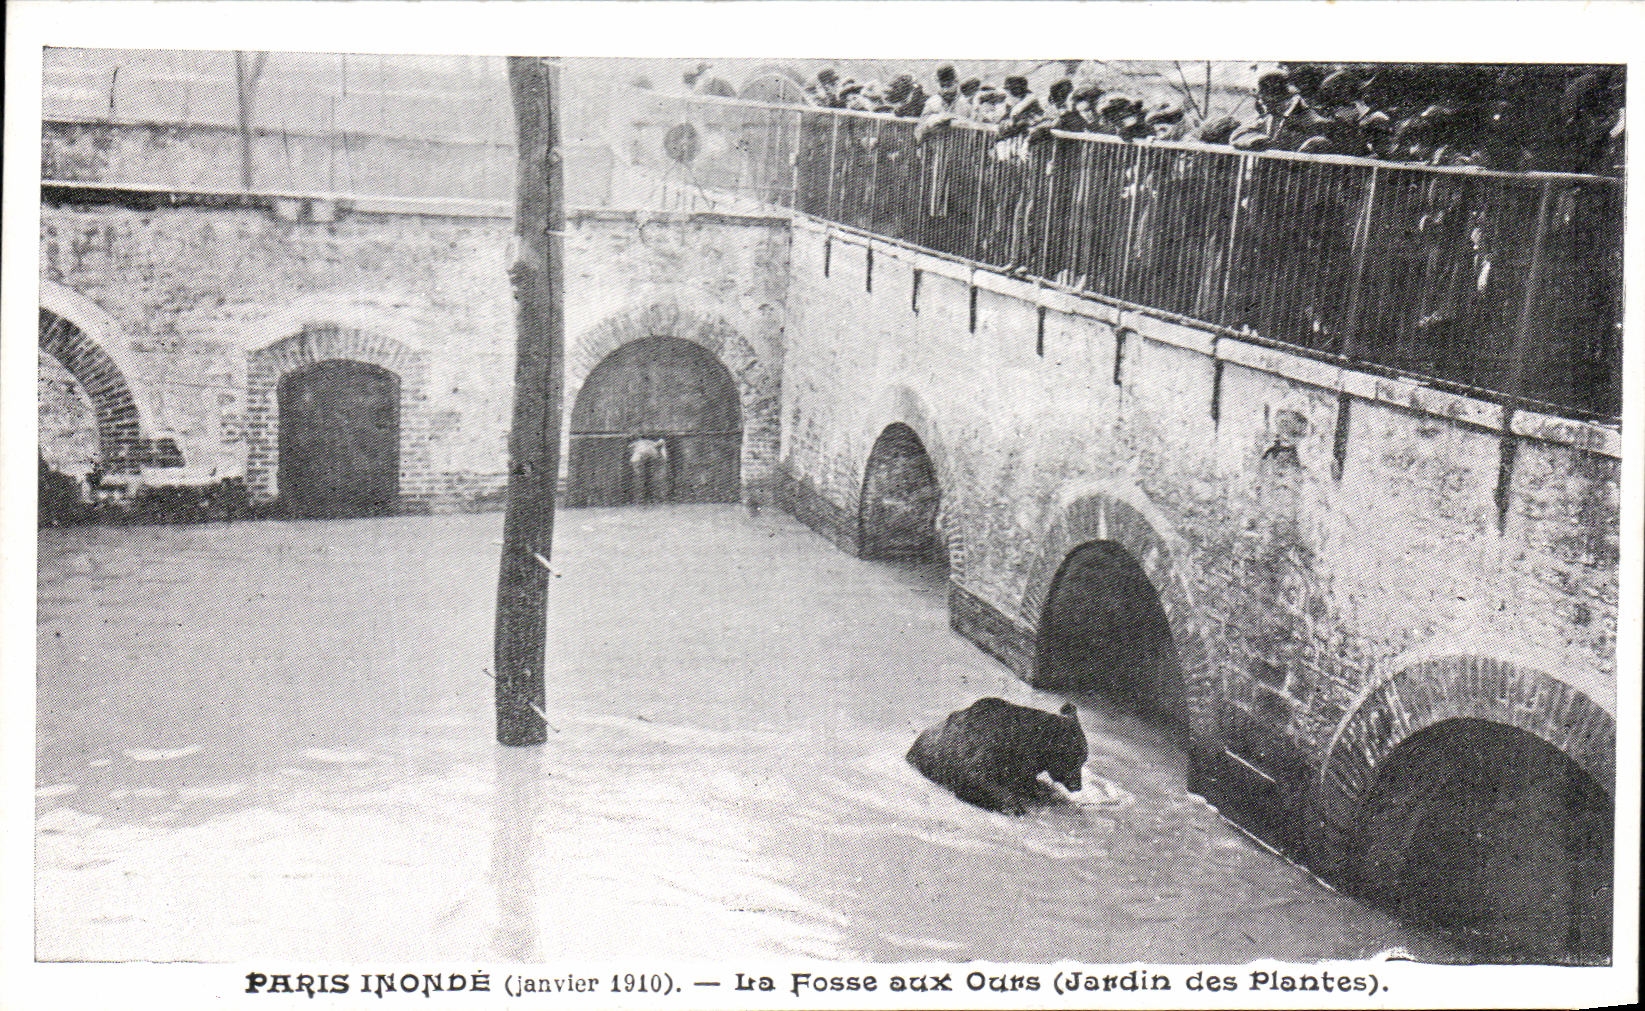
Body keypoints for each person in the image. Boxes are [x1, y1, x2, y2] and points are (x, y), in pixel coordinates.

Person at [627, 436, 670, 504]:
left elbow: (630, 447)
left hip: (643, 461)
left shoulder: (646, 445)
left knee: (641, 478)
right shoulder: (649, 446)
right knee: (640, 478)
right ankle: (644, 498)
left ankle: (644, 498)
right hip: (642, 461)